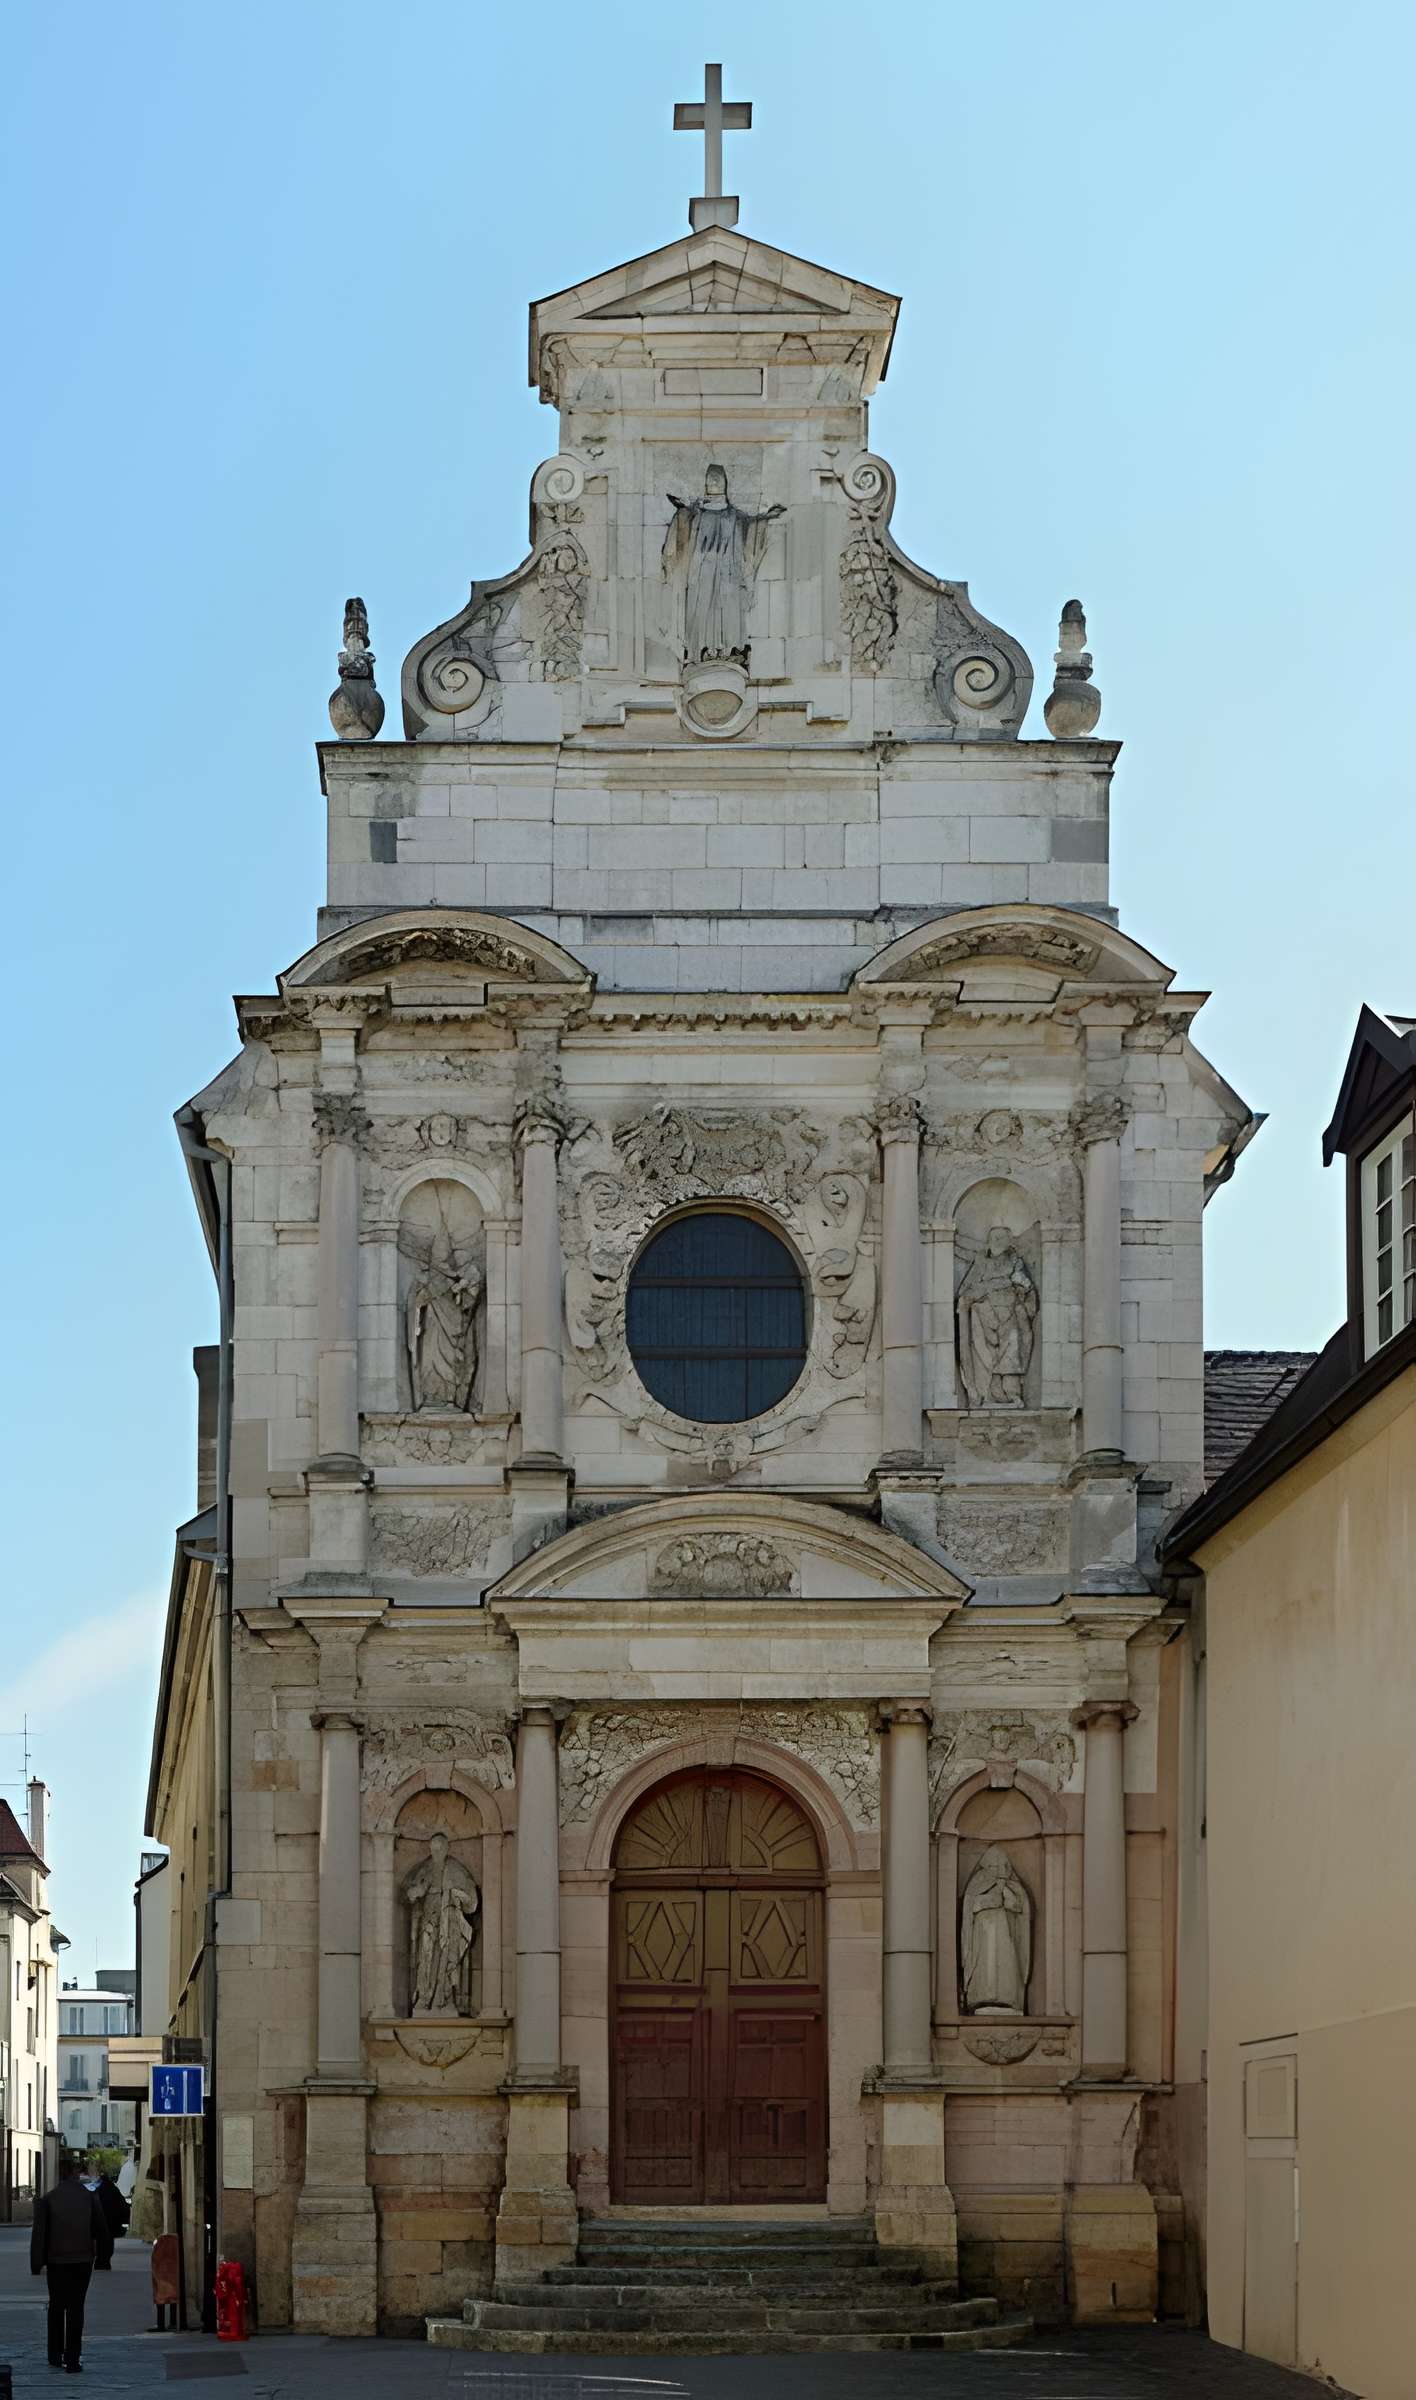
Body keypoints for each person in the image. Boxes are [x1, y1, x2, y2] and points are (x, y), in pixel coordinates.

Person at [31, 2152, 111, 2373]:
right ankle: (73, 2358)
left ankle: (55, 2354)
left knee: (56, 2306)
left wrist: (36, 2263)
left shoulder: (49, 2198)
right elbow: (101, 2229)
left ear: (59, 2175)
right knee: (76, 2307)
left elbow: (40, 2234)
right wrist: (102, 2257)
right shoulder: (89, 2197)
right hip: (82, 2259)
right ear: (76, 2174)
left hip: (56, 2261)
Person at [94, 2168, 130, 2260]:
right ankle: (105, 2260)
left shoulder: (97, 2191)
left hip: (100, 2222)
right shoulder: (114, 2190)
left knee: (100, 2242)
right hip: (112, 2222)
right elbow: (122, 2206)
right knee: (108, 2243)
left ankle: (101, 2259)